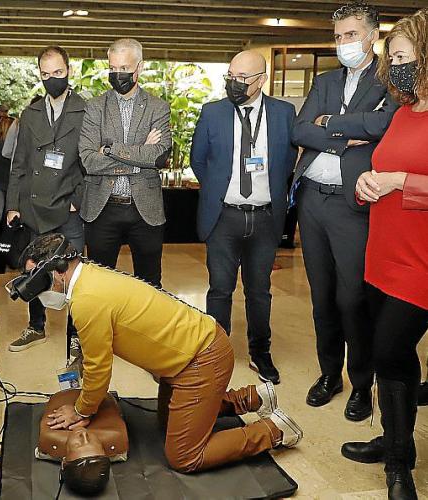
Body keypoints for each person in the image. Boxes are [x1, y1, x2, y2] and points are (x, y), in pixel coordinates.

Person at [10, 233, 303, 474]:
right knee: (169, 422)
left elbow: (99, 369)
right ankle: (252, 398)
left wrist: (81, 410)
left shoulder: (86, 299)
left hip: (201, 360)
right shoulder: (90, 275)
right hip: (190, 356)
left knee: (184, 455)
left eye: (37, 278)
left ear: (58, 270)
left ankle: (274, 430)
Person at [290, 2, 399, 421]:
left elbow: (381, 126)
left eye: (351, 35)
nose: (343, 43)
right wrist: (345, 133)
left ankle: (361, 384)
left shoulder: (389, 80)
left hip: (353, 203)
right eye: (338, 37)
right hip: (311, 200)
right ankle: (329, 375)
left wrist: (329, 123)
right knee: (321, 297)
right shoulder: (325, 80)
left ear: (372, 36)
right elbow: (300, 129)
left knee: (352, 298)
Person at [340, 10, 428, 499]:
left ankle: (398, 467)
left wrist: (400, 181)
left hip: (421, 261)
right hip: (382, 253)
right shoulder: (401, 114)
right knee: (389, 354)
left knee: (391, 351)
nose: (394, 67)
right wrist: (365, 183)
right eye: (391, 59)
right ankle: (394, 439)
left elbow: (401, 178)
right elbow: (380, 173)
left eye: (401, 57)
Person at [190, 50, 298, 385]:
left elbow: (287, 162)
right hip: (224, 216)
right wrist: (222, 190)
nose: (233, 83)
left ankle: (260, 352)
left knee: (259, 291)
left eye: (242, 78)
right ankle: (216, 353)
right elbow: (198, 161)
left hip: (265, 217)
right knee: (220, 290)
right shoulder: (212, 112)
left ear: (261, 80)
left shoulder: (283, 113)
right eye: (231, 76)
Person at [5, 46, 86, 357]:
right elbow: (20, 163)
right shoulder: (31, 114)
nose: (52, 79)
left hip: (68, 207)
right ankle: (35, 325)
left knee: (74, 274)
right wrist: (13, 205)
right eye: (46, 74)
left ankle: (76, 336)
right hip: (35, 207)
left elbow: (91, 164)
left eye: (58, 72)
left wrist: (77, 200)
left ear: (69, 71)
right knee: (34, 269)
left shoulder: (86, 110)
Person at [78, 38, 171, 287]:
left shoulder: (158, 108)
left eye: (124, 68)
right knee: (99, 286)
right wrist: (140, 158)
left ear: (139, 67)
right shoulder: (95, 107)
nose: (117, 74)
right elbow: (88, 160)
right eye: (113, 68)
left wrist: (110, 150)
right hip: (102, 207)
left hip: (145, 210)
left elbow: (159, 156)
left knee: (150, 286)